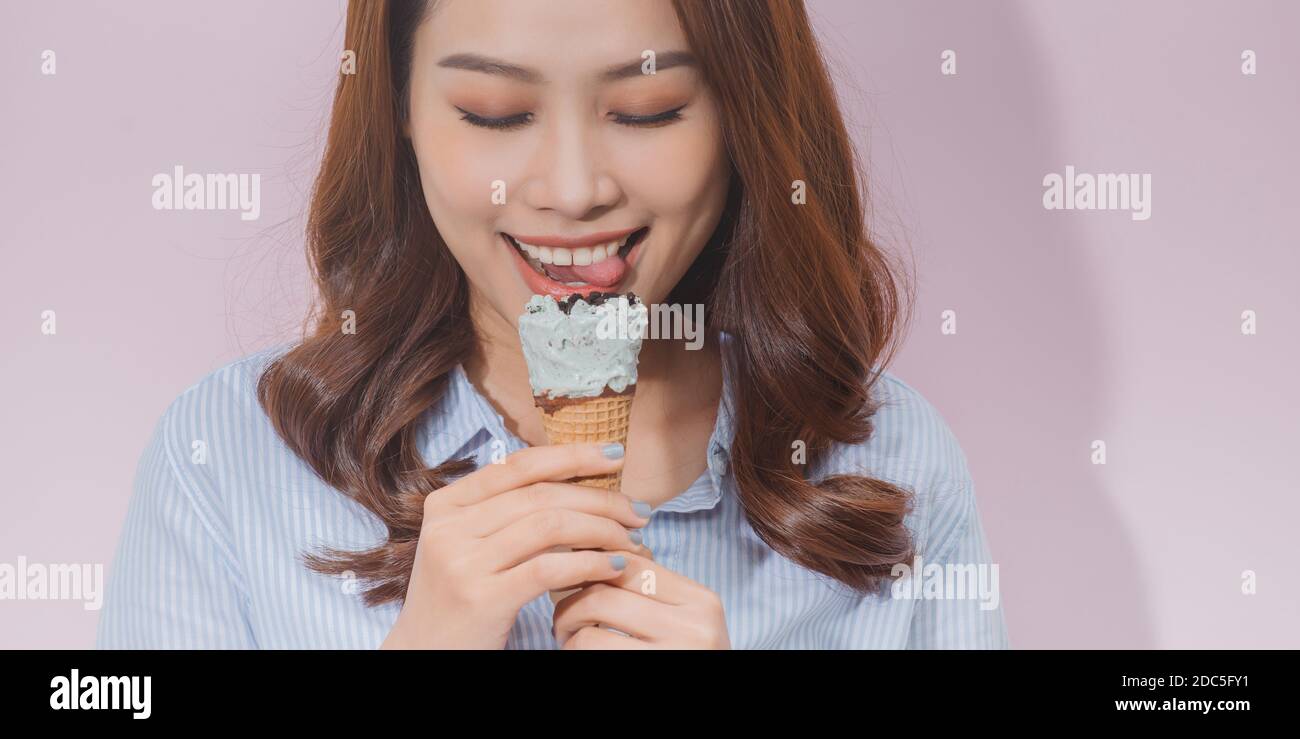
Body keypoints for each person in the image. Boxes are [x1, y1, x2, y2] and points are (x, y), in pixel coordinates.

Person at [97, 0, 1008, 649]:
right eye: (495, 113)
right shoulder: (225, 456)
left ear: (743, 115)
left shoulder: (889, 467)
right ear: (400, 113)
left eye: (647, 109)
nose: (573, 190)